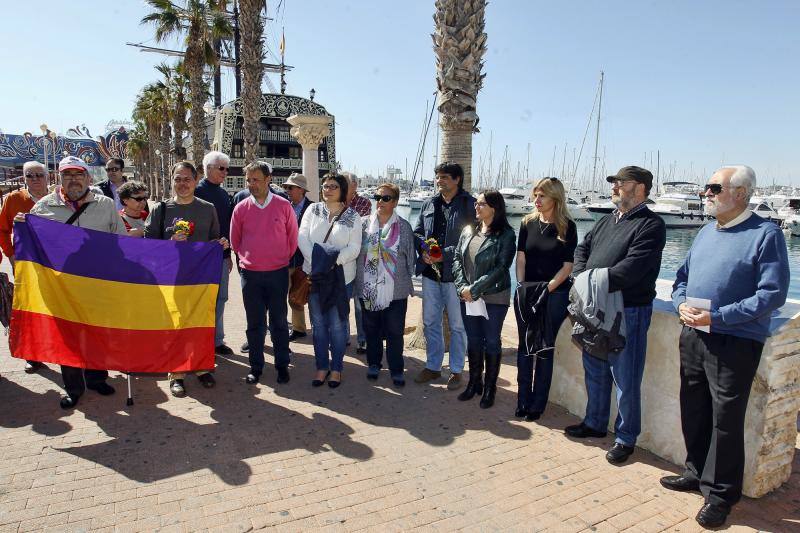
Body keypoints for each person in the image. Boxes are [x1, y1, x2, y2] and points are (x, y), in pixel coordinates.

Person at [663, 166, 789, 529]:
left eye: (714, 188)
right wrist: (681, 303)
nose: (706, 193)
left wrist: (718, 318)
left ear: (741, 193)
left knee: (726, 422)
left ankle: (720, 495)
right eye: (706, 188)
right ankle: (695, 471)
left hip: (734, 341)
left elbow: (771, 295)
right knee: (694, 408)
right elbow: (681, 280)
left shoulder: (766, 235)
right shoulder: (704, 232)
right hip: (694, 335)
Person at [565, 166, 666, 465]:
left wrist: (589, 282)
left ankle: (626, 438)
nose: (614, 187)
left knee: (625, 376)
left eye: (620, 183)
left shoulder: (651, 225)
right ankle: (595, 423)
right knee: (593, 367)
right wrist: (583, 279)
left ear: (639, 188)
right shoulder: (607, 221)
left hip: (628, 311)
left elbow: (632, 269)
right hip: (594, 307)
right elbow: (582, 250)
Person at [27, 156, 128, 409]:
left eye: (78, 174)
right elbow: (33, 246)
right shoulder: (42, 208)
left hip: (98, 284)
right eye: (67, 174)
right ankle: (73, 388)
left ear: (88, 178)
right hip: (63, 287)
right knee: (68, 337)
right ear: (59, 178)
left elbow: (122, 242)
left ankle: (96, 377)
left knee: (97, 332)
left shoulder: (105, 205)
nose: (73, 179)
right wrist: (22, 226)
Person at [144, 161, 229, 398]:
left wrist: (222, 244)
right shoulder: (160, 210)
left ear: (195, 180)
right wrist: (169, 245)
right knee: (176, 324)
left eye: (187, 179)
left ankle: (202, 367)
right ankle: (177, 373)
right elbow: (148, 245)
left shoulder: (207, 208)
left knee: (201, 322)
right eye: (178, 179)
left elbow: (213, 239)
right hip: (172, 278)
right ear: (172, 181)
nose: (182, 184)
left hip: (201, 279)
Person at [514, 177, 577, 421]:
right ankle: (522, 401)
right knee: (524, 349)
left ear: (555, 199)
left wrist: (547, 289)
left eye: (542, 195)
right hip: (526, 292)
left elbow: (568, 265)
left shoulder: (567, 227)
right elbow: (521, 258)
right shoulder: (526, 223)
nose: (536, 200)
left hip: (554, 295)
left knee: (544, 349)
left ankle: (537, 405)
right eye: (535, 195)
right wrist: (521, 285)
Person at [230, 161, 298, 385]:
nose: (251, 184)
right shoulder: (241, 207)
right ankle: (256, 367)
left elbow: (292, 238)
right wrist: (250, 260)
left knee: (279, 322)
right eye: (248, 180)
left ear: (268, 179)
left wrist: (278, 259)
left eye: (256, 179)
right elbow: (235, 240)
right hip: (251, 275)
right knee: (255, 324)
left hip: (277, 273)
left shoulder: (283, 205)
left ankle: (281, 366)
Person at [413, 162, 475, 390]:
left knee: (458, 326)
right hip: (430, 274)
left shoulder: (469, 205)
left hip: (455, 277)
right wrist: (424, 251)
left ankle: (457, 371)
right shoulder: (429, 203)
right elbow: (418, 231)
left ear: (457, 179)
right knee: (431, 321)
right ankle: (433, 366)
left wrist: (442, 255)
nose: (440, 181)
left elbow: (470, 241)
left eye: (445, 177)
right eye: (438, 177)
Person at [452, 190, 515, 408]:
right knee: (474, 340)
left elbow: (501, 268)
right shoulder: (469, 230)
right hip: (468, 297)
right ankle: (474, 383)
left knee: (492, 341)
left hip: (494, 297)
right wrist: (462, 288)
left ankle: (490, 388)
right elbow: (457, 260)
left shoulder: (506, 234)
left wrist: (475, 289)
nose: (476, 207)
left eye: (481, 204)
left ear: (494, 208)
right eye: (476, 204)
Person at [297, 173, 362, 388]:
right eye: (325, 186)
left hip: (341, 277)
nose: (328, 189)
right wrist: (319, 263)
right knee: (318, 325)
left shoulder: (353, 216)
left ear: (342, 190)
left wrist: (333, 262)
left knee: (337, 324)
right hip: (315, 276)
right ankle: (321, 366)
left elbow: (354, 247)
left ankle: (336, 369)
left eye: (333, 186)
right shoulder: (312, 210)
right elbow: (302, 238)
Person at [355, 183, 416, 386]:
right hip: (368, 287)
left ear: (396, 202)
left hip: (395, 289)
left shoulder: (404, 227)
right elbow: (355, 255)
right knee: (371, 329)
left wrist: (409, 285)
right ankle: (374, 364)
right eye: (377, 197)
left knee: (395, 331)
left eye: (386, 198)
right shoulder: (362, 224)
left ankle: (396, 369)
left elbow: (410, 259)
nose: (380, 201)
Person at [0, 161, 51, 374]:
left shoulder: (59, 198)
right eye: (30, 176)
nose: (35, 179)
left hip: (56, 267)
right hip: (26, 265)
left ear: (47, 177)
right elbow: (2, 231)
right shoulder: (13, 200)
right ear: (24, 178)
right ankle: (33, 355)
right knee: (30, 310)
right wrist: (11, 255)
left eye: (39, 175)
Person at [195, 151, 234, 356]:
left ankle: (217, 340)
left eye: (226, 169)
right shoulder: (196, 191)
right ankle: (201, 340)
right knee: (202, 300)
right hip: (200, 257)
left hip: (220, 255)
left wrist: (228, 255)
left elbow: (226, 227)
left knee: (221, 298)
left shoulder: (222, 193)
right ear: (208, 168)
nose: (225, 172)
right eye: (222, 168)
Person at [283, 173, 312, 341]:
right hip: (284, 260)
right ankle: (281, 326)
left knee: (298, 296)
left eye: (290, 187)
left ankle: (299, 329)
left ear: (301, 190)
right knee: (282, 296)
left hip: (303, 261)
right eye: (286, 187)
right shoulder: (284, 206)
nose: (287, 190)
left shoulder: (313, 208)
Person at [344, 172, 371, 354]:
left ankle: (362, 339)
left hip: (360, 261)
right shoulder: (336, 203)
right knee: (341, 303)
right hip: (343, 263)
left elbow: (362, 230)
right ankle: (344, 336)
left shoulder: (364, 203)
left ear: (354, 184)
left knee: (360, 305)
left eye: (346, 183)